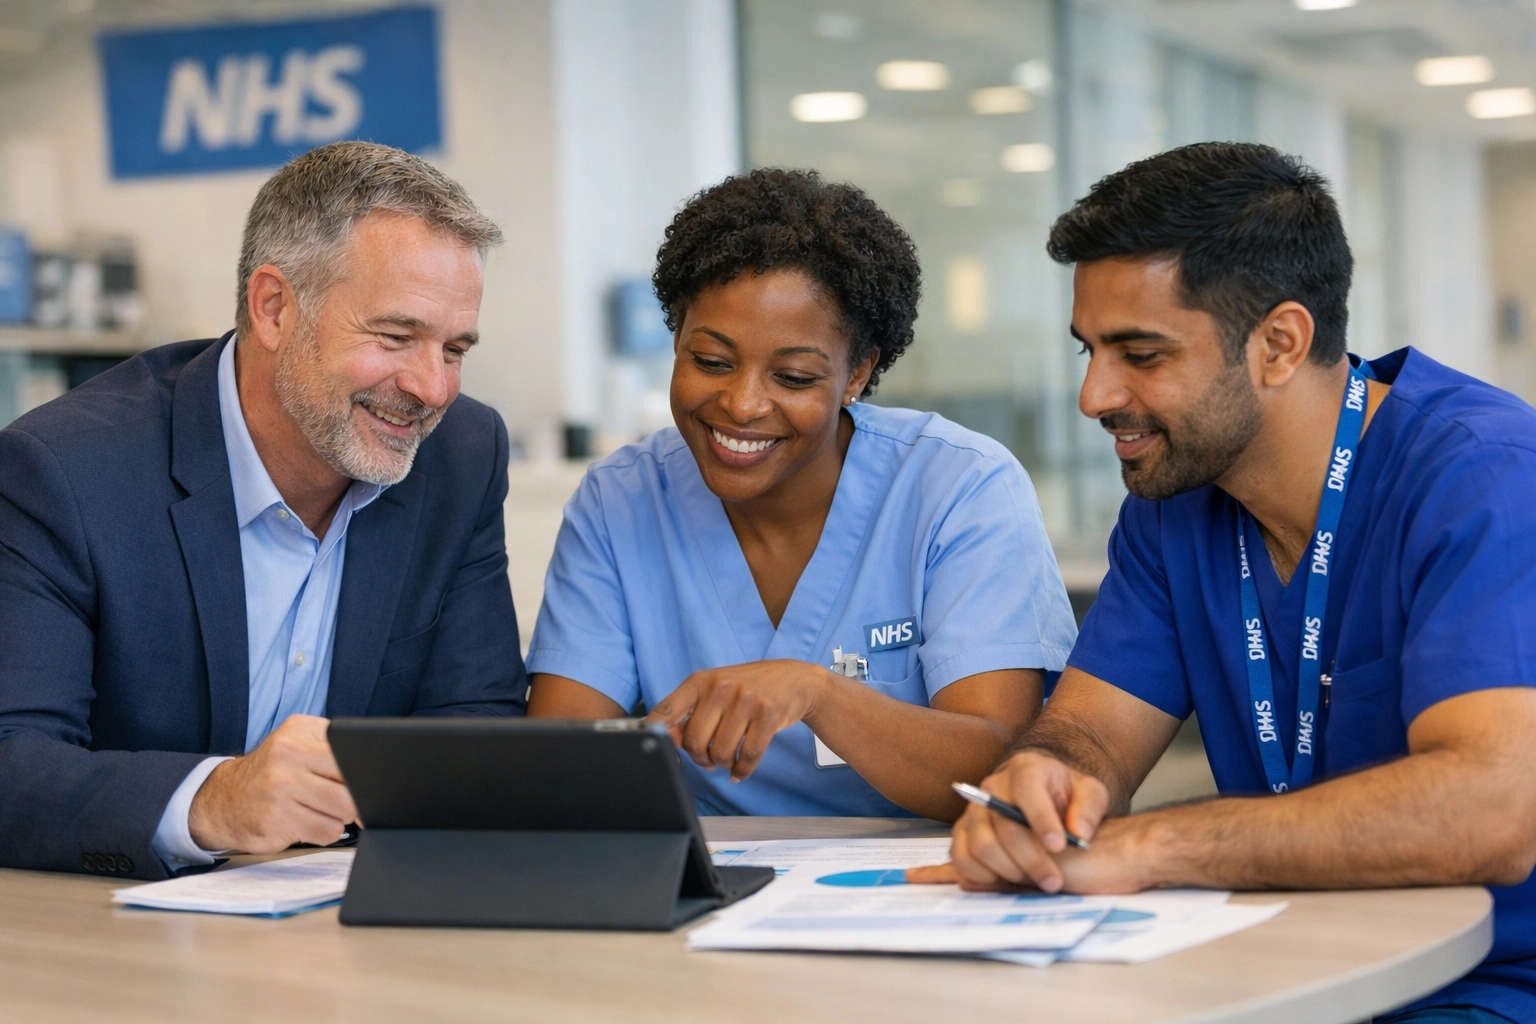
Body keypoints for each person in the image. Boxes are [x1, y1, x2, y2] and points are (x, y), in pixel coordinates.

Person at [909, 143, 1536, 1023]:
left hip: (1486, 983)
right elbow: (1092, 729)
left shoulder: (1486, 476)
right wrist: (1041, 784)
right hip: (1273, 964)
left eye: (1141, 354)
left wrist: (1152, 845)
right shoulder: (1175, 504)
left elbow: (1495, 808)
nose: (1093, 395)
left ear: (1279, 344)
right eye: (1089, 350)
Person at [0, 141, 528, 881]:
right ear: (274, 307)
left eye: (454, 349)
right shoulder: (63, 471)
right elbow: (13, 761)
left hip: (346, 912)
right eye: (396, 337)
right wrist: (214, 800)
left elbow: (477, 720)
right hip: (117, 925)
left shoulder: (463, 454)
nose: (432, 388)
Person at [525, 168, 1076, 820]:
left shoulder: (958, 488)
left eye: (792, 376)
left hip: (927, 867)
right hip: (712, 869)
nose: (742, 404)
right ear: (676, 341)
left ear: (858, 373)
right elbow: (557, 768)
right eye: (711, 361)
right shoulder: (620, 500)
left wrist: (820, 694)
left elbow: (1000, 770)